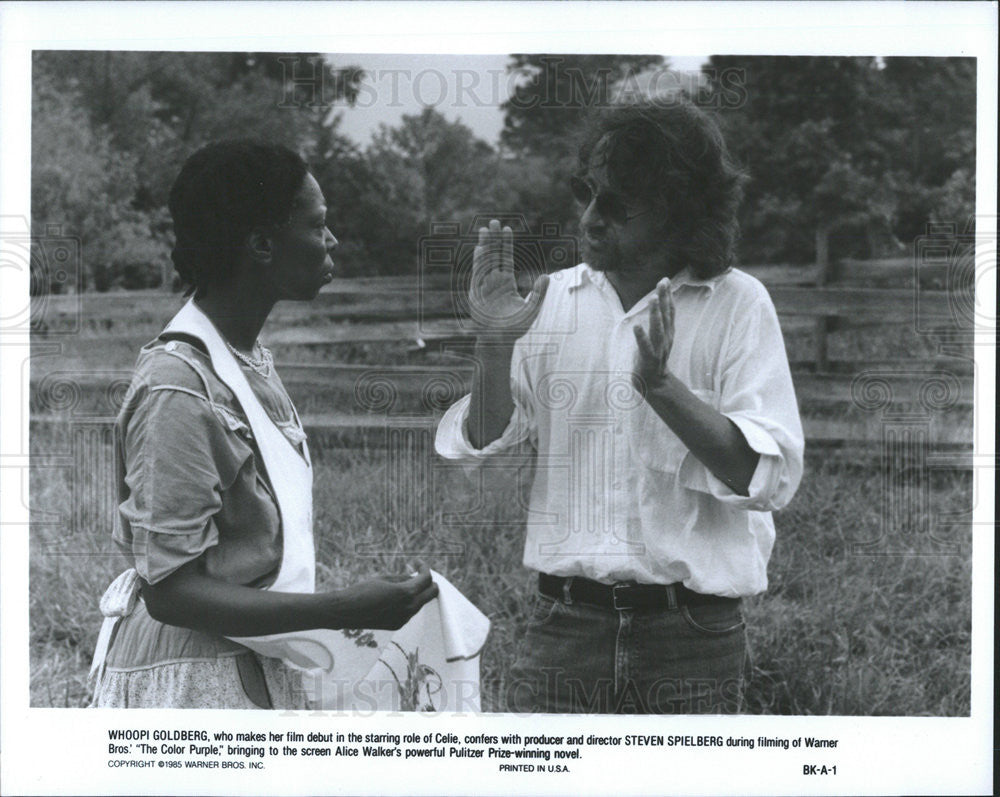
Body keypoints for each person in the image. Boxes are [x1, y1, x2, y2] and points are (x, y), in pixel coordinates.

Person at [435, 100, 804, 714]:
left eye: (615, 203)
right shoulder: (555, 301)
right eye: (588, 194)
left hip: (692, 637)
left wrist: (663, 390)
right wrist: (493, 343)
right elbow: (483, 445)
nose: (590, 219)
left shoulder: (738, 304)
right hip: (564, 630)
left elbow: (766, 478)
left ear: (677, 209)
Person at [89, 140, 438, 709]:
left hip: (248, 658)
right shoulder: (178, 386)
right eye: (317, 224)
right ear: (261, 245)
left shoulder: (247, 362)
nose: (332, 241)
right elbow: (170, 592)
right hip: (192, 679)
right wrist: (344, 609)